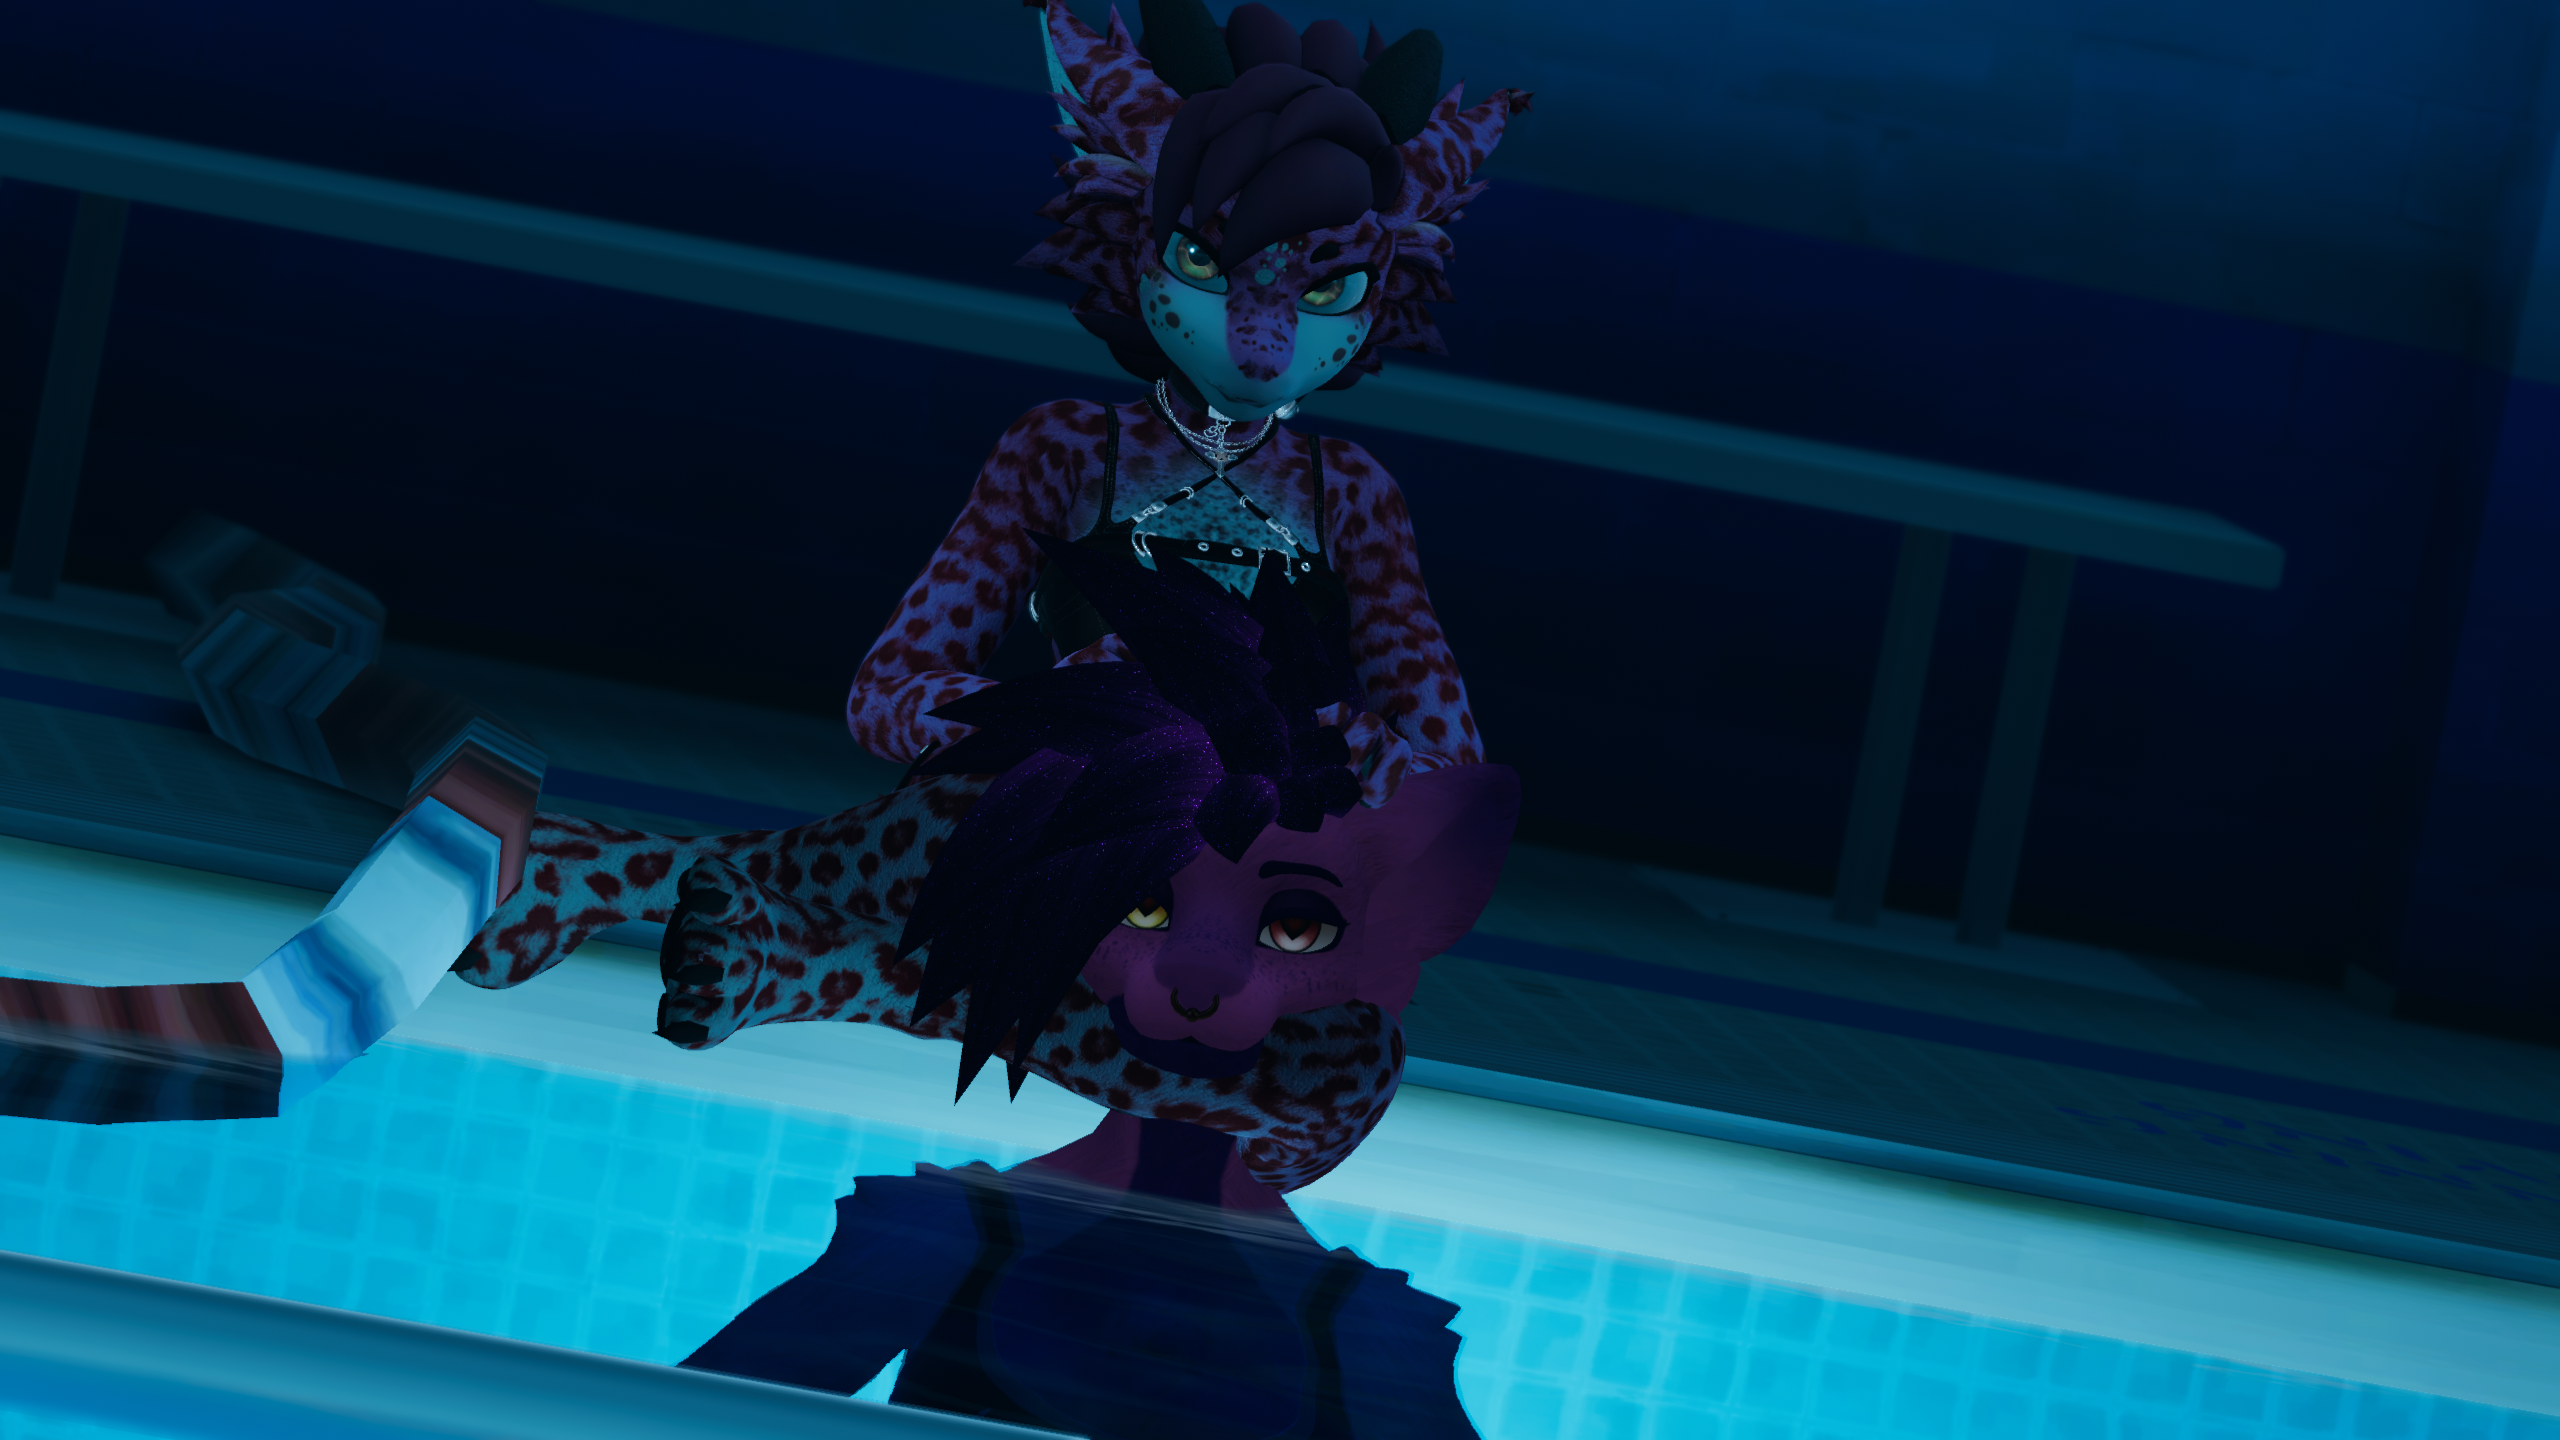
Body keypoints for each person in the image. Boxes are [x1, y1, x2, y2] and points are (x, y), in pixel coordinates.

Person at [847, 0, 1529, 811]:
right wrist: (1057, 720)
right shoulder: (1065, 447)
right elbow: (887, 692)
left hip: (1272, 854)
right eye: (1205, 264)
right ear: (1134, 239)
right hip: (1072, 822)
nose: (1261, 346)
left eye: (1327, 290)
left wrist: (1350, 757)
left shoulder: (1351, 492)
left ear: (1384, 291)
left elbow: (1452, 773)